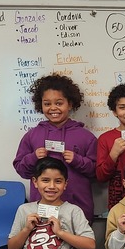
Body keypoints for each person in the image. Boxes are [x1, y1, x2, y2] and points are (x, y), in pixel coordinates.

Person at [12, 73, 97, 221]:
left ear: (70, 104)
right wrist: (33, 157)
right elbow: (21, 169)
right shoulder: (32, 135)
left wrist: (77, 160)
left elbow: (97, 172)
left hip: (78, 207)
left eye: (59, 103)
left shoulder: (86, 136)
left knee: (77, 236)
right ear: (40, 105)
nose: (53, 108)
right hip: (43, 210)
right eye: (47, 104)